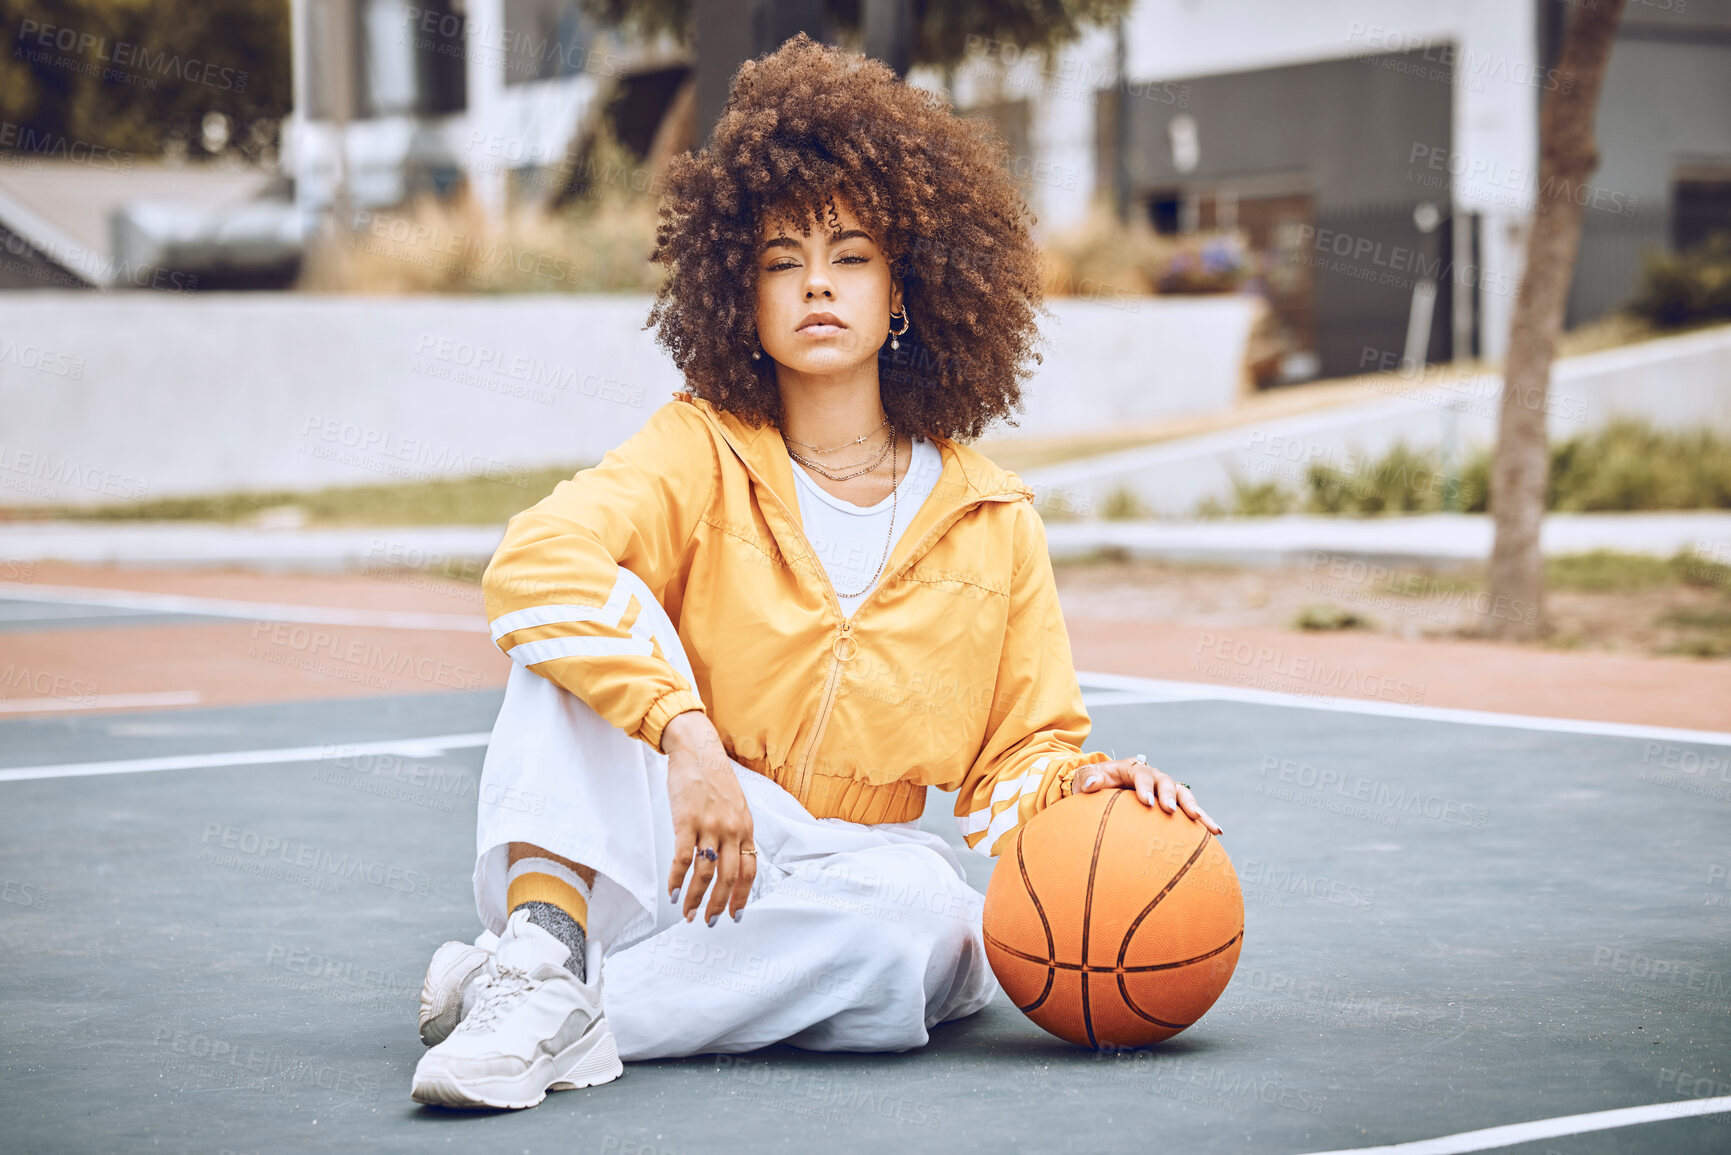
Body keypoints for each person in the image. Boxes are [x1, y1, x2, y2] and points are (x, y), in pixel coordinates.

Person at [409, 32, 1222, 1111]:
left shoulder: (991, 517)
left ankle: (550, 999)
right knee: (585, 613)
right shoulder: (698, 447)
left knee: (931, 930)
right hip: (671, 839)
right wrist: (682, 733)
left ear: (905, 293)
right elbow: (533, 561)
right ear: (739, 299)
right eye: (781, 261)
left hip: (836, 870)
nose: (816, 285)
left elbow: (1011, 766)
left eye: (849, 255)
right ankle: (547, 943)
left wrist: (1084, 789)